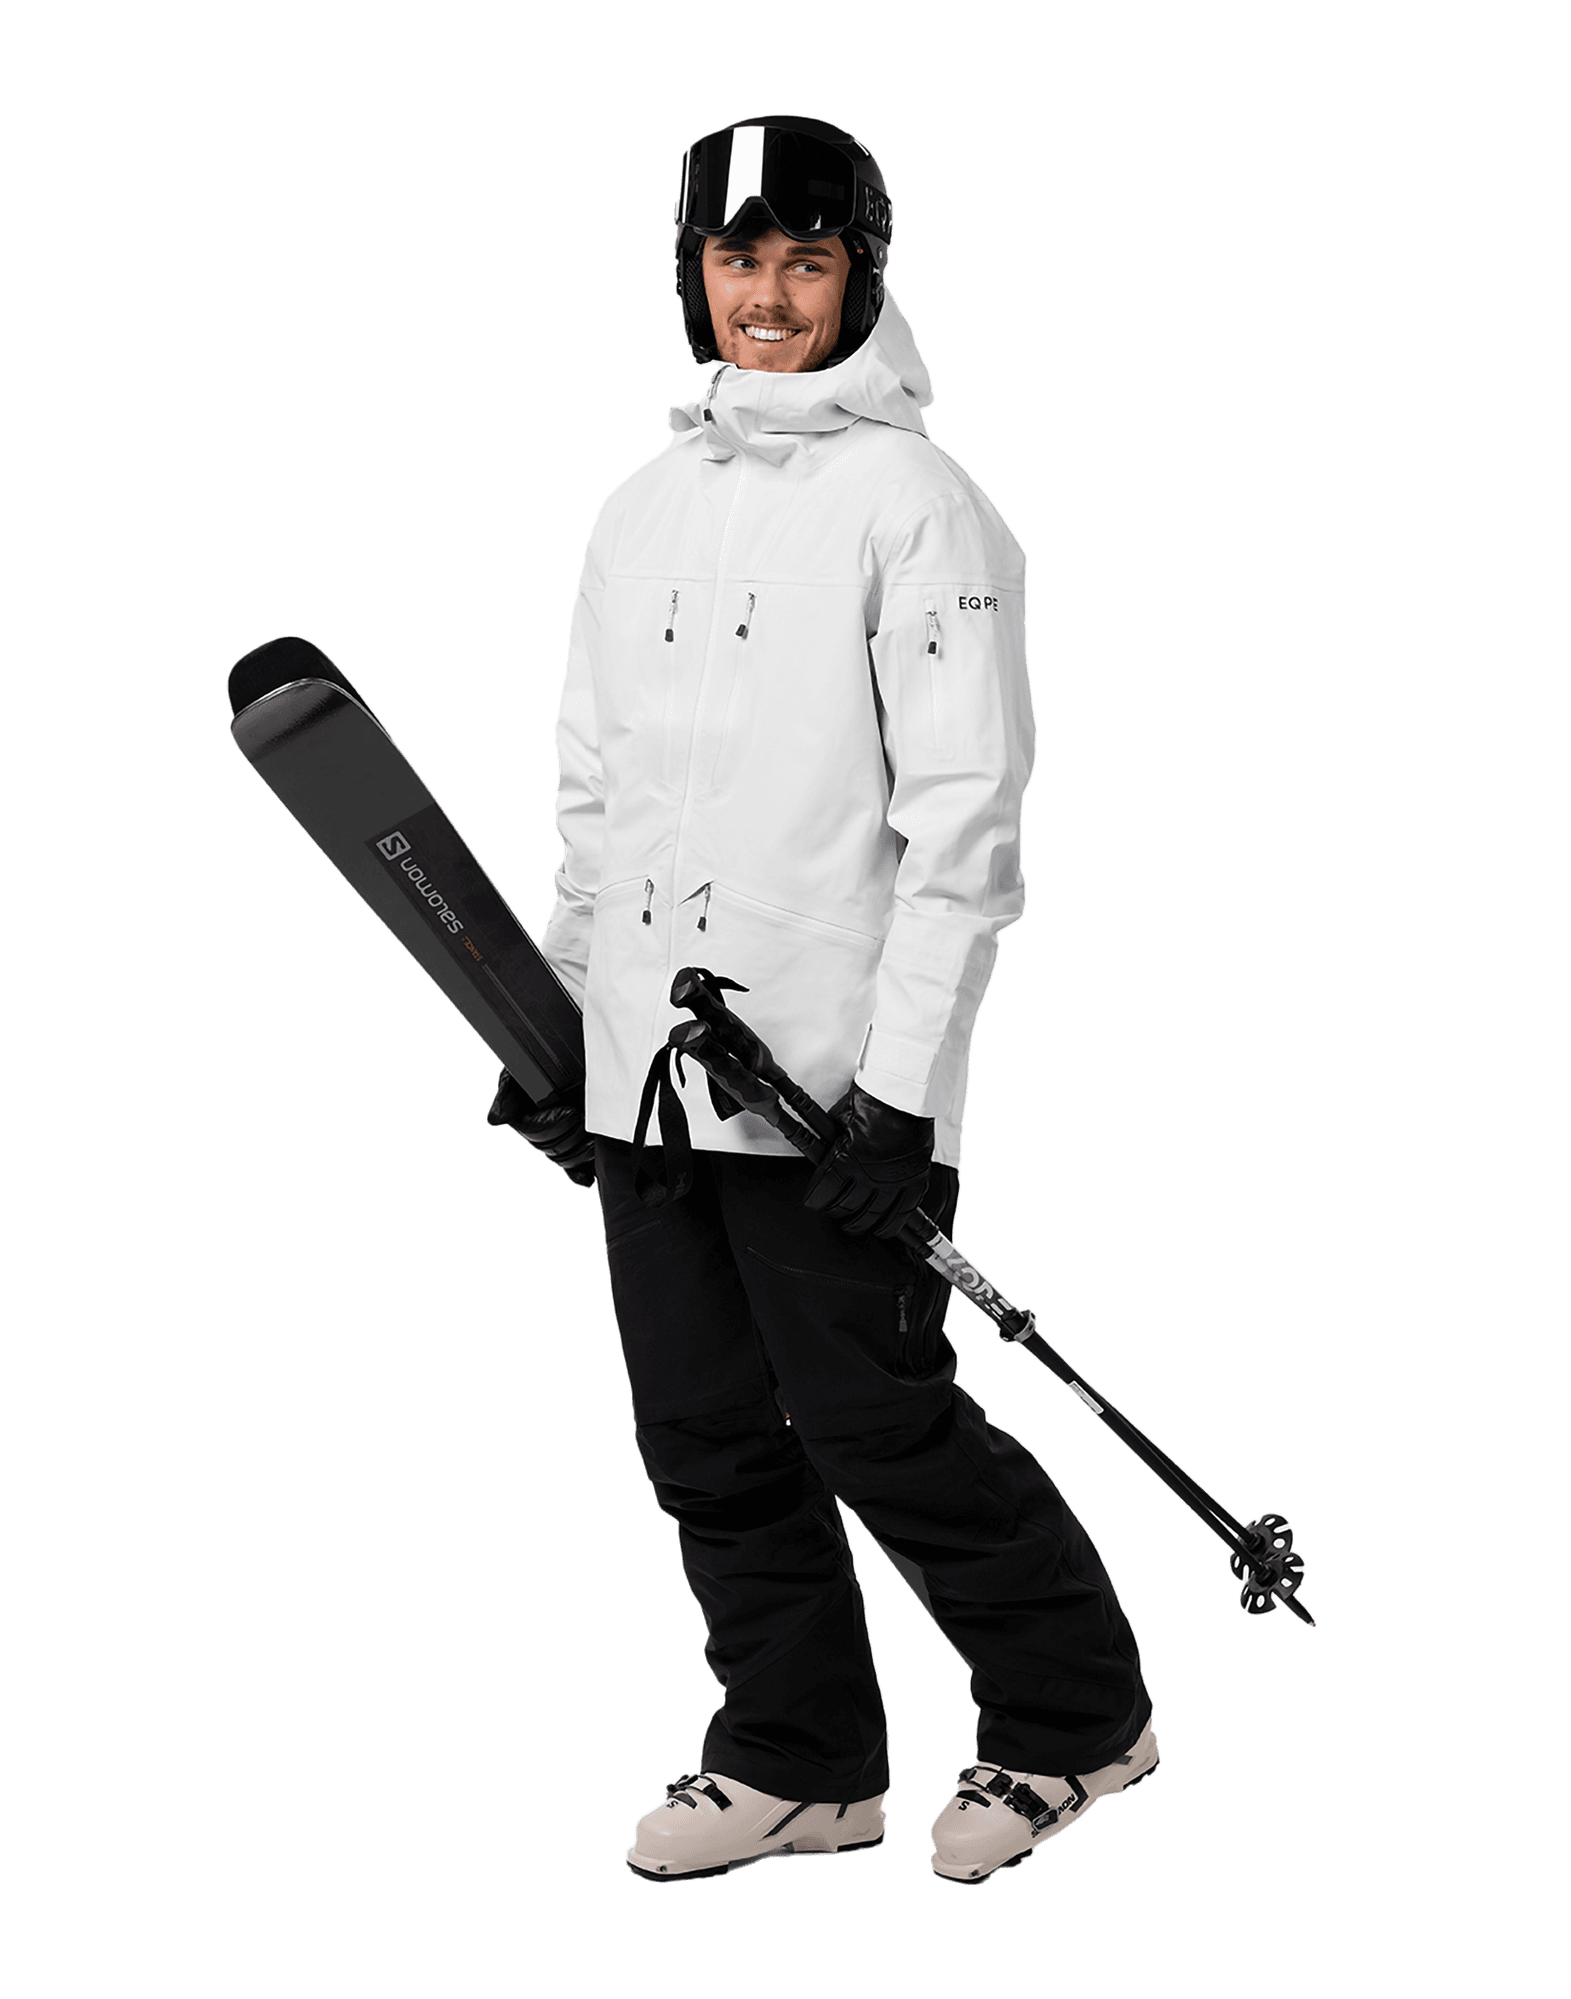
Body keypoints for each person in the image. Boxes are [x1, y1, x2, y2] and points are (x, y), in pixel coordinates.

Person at [489, 113, 1156, 1886]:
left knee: (878, 1422)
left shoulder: (921, 509)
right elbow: (596, 804)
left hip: (826, 1087)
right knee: (701, 1431)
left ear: (861, 274)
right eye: (738, 259)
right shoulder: (637, 510)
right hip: (654, 1071)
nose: (770, 295)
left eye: (808, 259)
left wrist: (904, 1095)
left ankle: (1079, 1720)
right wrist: (560, 1022)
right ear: (691, 275)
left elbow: (968, 828)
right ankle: (799, 1755)